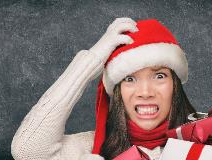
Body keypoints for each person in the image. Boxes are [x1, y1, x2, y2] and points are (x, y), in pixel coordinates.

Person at [11, 17, 197, 160]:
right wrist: (92, 60)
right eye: (129, 78)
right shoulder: (91, 147)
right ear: (117, 92)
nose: (146, 92)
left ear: (175, 86)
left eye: (159, 76)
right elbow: (27, 150)